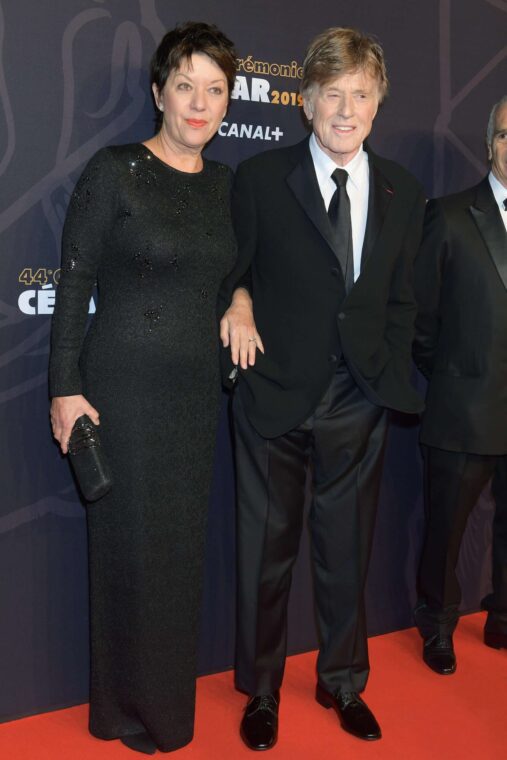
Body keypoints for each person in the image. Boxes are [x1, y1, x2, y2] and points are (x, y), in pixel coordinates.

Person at [218, 26, 425, 749]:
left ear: (377, 104)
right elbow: (229, 271)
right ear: (304, 103)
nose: (345, 110)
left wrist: (386, 376)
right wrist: (237, 303)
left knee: (346, 552)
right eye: (331, 95)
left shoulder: (404, 190)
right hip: (272, 392)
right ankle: (262, 693)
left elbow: (402, 301)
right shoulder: (258, 178)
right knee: (263, 556)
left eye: (360, 95)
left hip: (358, 399)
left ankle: (343, 683)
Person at [49, 22, 237, 755]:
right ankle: (120, 711)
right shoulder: (116, 169)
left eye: (214, 89)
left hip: (193, 400)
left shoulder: (226, 186)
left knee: (175, 557)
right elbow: (74, 285)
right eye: (184, 85)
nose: (198, 102)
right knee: (125, 551)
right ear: (158, 91)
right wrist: (65, 388)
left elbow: (240, 270)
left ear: (227, 101)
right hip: (118, 390)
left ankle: (164, 711)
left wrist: (244, 299)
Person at [412, 96, 507, 675]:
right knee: (445, 531)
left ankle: (503, 617)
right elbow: (421, 323)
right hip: (463, 406)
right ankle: (438, 624)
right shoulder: (448, 215)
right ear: (490, 141)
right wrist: (454, 376)